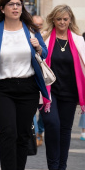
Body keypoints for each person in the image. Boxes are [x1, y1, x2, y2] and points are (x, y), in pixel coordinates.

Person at [0, 0, 49, 170]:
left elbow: (45, 53)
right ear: (2, 8)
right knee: (9, 132)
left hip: (28, 88)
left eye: (18, 4)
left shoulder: (31, 29)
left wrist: (39, 47)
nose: (16, 7)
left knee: (23, 134)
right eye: (11, 4)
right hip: (1, 90)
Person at [41, 6, 85, 170]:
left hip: (70, 91)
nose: (62, 22)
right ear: (53, 19)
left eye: (65, 19)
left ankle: (61, 169)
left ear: (70, 20)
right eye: (59, 19)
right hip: (49, 91)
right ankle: (52, 167)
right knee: (52, 124)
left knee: (65, 130)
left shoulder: (77, 40)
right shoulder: (44, 38)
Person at [32, 14, 45, 147]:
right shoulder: (29, 34)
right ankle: (35, 134)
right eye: (35, 24)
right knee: (31, 111)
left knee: (43, 110)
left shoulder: (45, 36)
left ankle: (40, 131)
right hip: (32, 78)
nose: (38, 27)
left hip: (45, 80)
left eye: (40, 25)